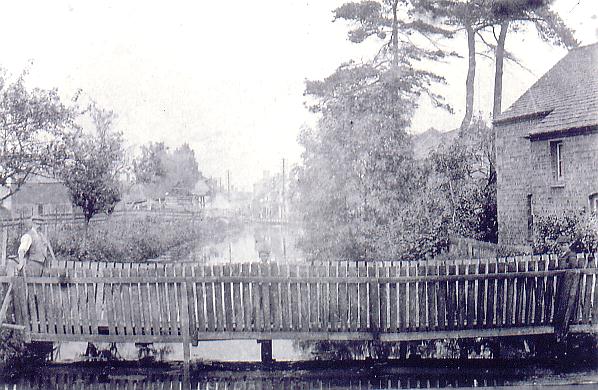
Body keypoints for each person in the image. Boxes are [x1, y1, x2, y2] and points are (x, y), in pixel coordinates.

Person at [553, 235, 581, 342]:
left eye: (564, 245)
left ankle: (564, 329)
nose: (562, 247)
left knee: (566, 304)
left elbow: (572, 267)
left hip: (569, 284)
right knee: (560, 303)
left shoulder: (571, 255)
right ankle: (559, 327)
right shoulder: (562, 255)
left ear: (568, 245)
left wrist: (564, 268)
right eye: (561, 245)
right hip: (562, 284)